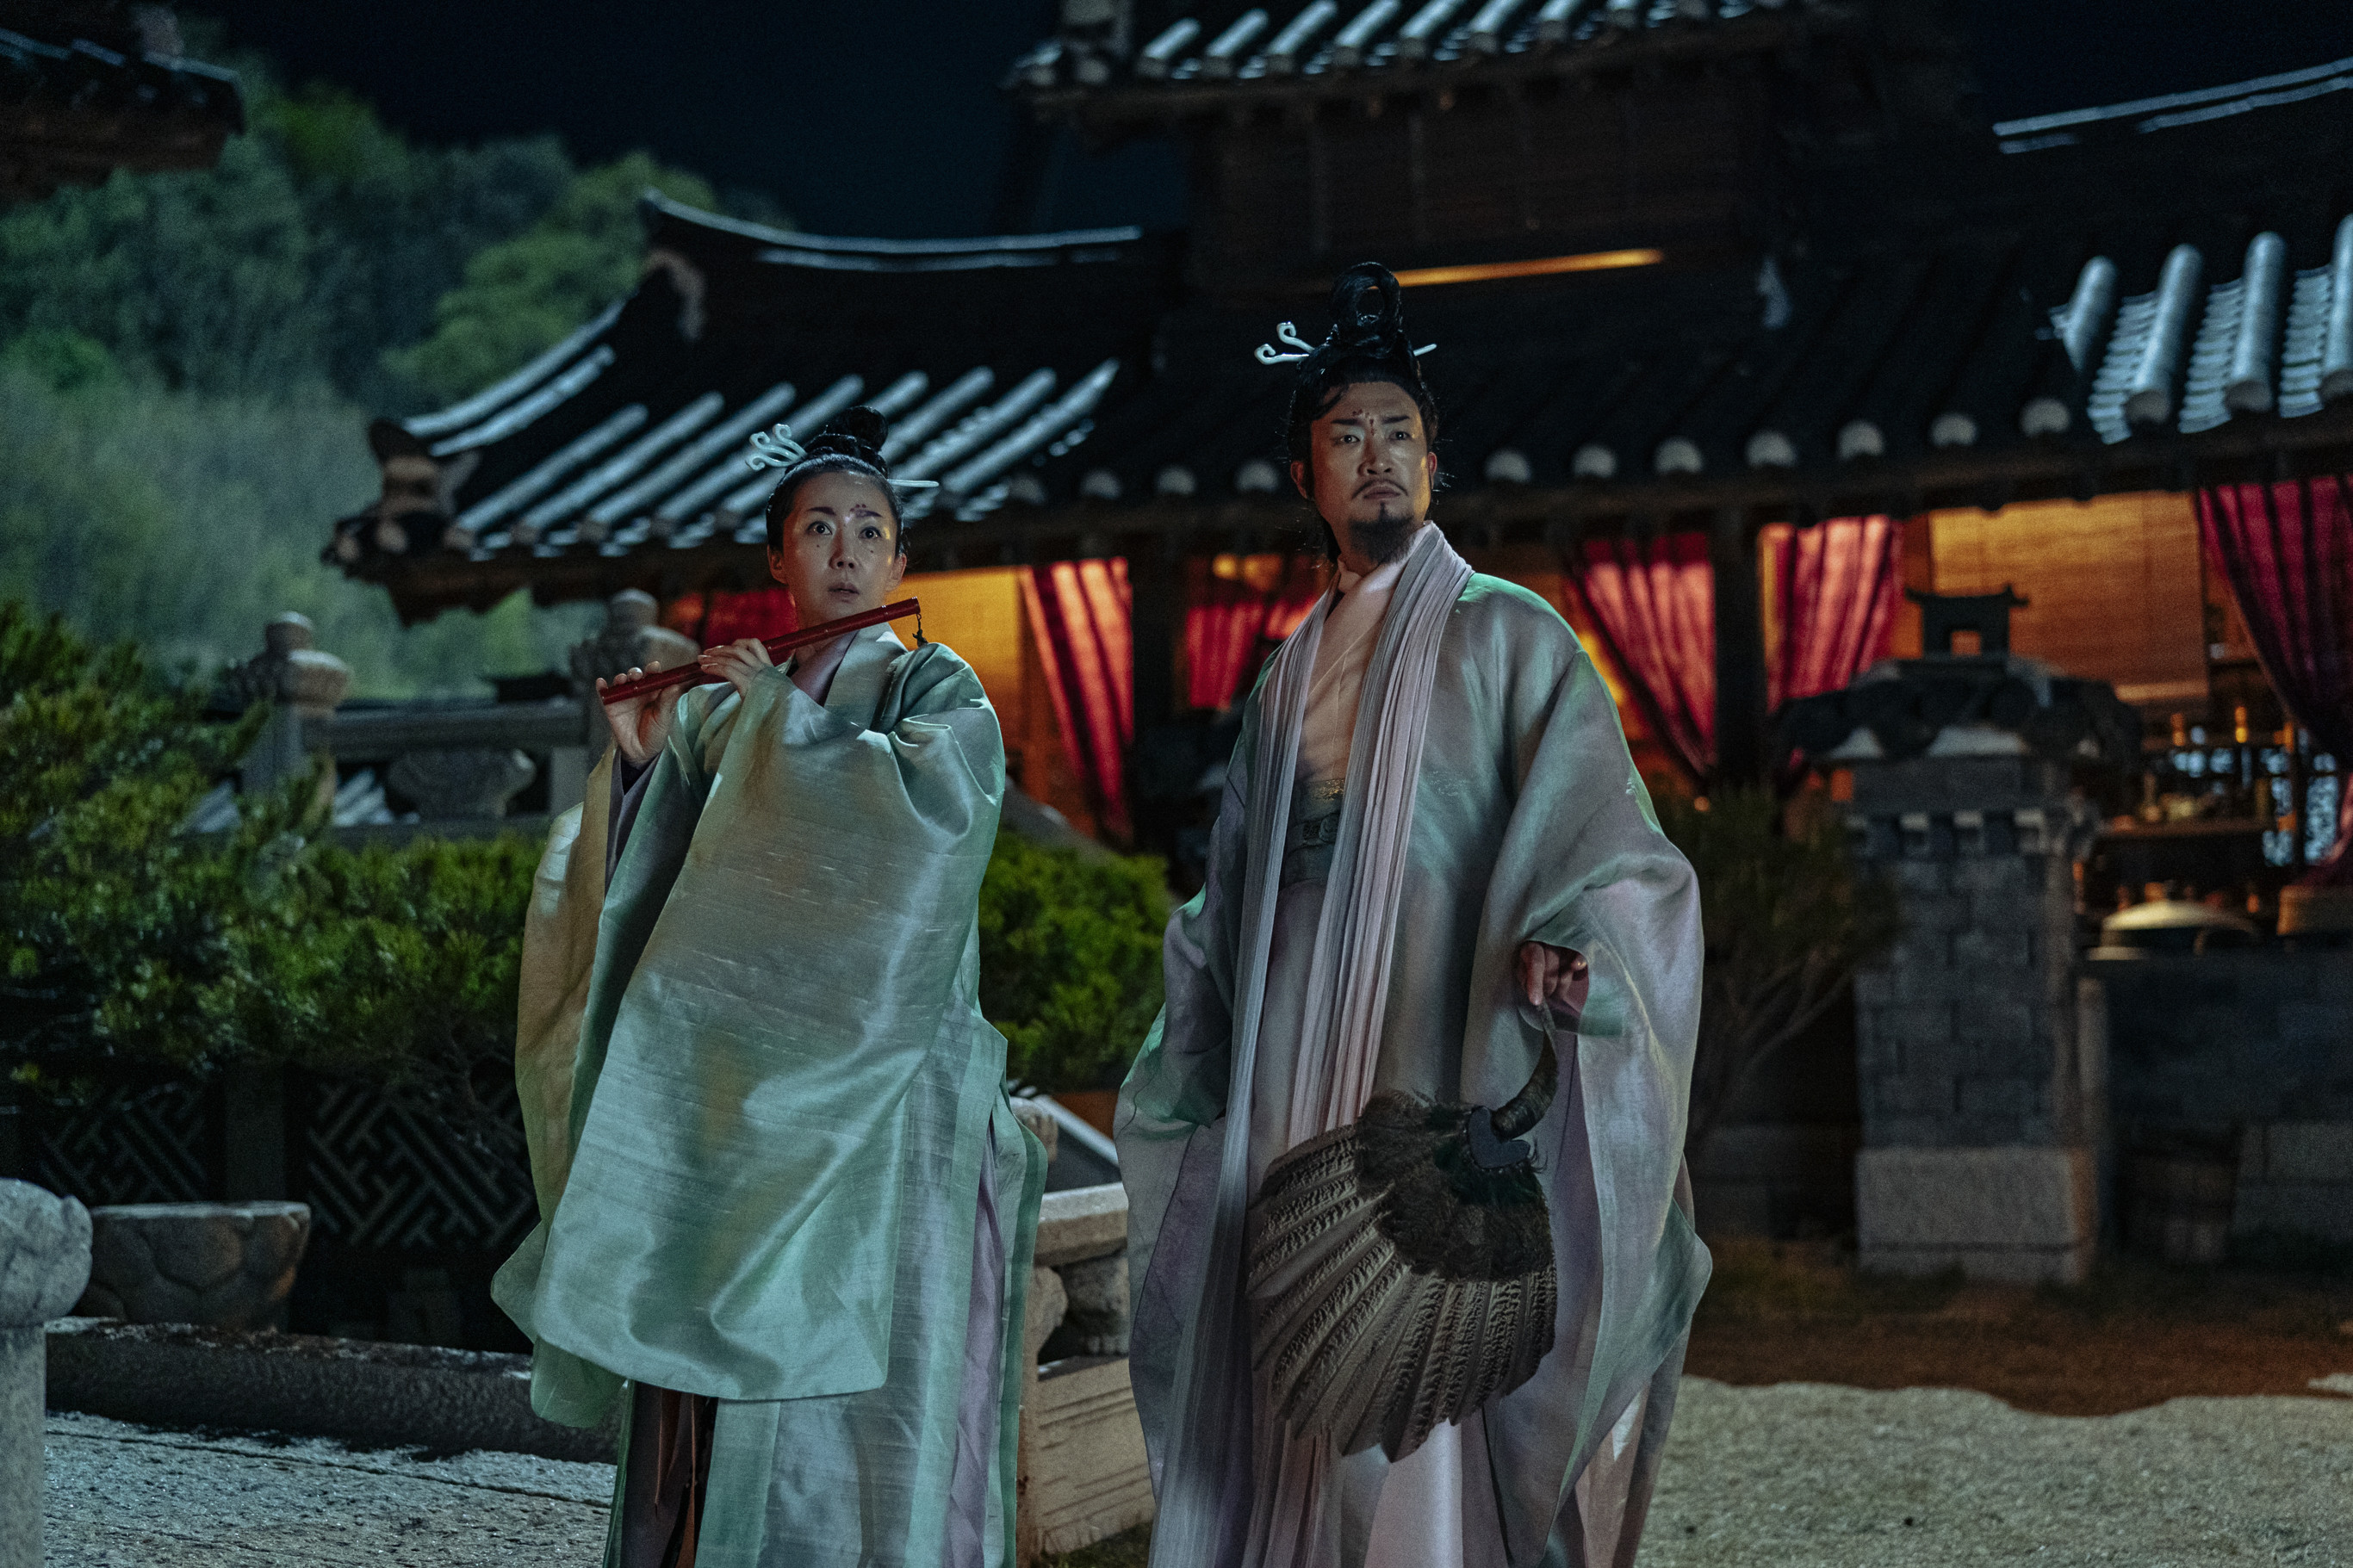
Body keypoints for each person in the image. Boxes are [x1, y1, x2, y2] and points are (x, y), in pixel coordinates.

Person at [1117, 265, 1708, 1568]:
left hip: (1440, 1034)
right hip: (1292, 1044)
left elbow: (1614, 846)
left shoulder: (1511, 637)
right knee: (1294, 1308)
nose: (1377, 457)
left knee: (1418, 1328)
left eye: (1399, 433)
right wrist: (1195, 1026)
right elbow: (1236, 884)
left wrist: (1571, 931)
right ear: (1305, 476)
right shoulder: (1284, 677)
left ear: (1435, 463)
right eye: (1347, 437)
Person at [494, 408, 1043, 1568]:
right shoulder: (721, 703)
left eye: (870, 530)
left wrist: (780, 730)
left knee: (856, 1409)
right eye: (818, 528)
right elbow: (644, 898)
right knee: (710, 1360)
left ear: (900, 559)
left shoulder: (934, 688)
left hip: (881, 1102)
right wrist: (643, 762)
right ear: (777, 558)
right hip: (733, 1096)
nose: (847, 551)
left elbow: (929, 829)